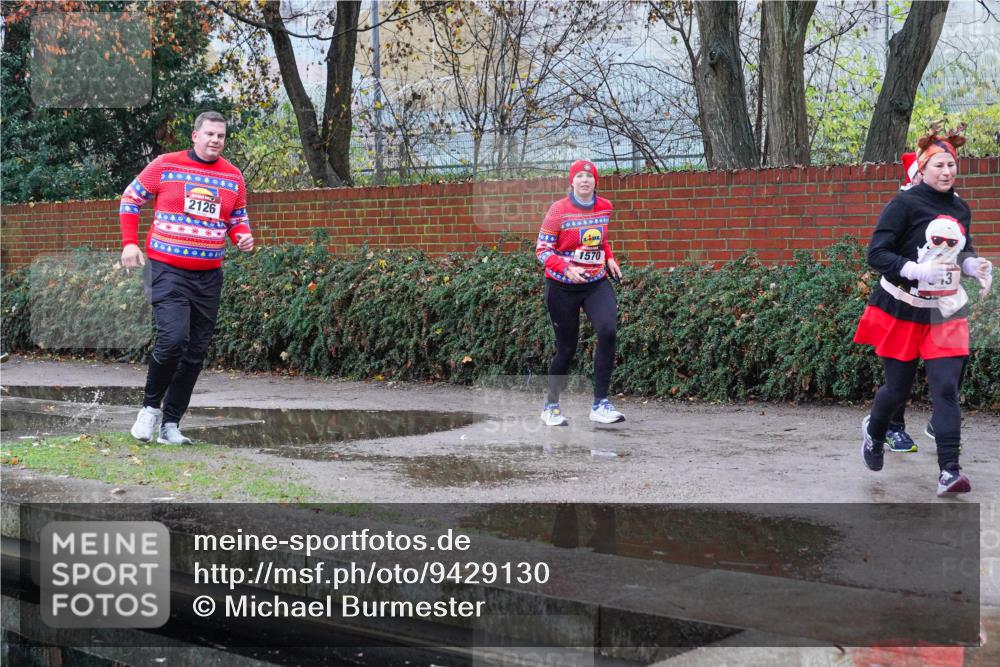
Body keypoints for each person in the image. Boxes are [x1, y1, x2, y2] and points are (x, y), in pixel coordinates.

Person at [854, 125, 992, 496]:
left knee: (946, 388)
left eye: (952, 165)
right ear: (923, 168)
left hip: (944, 310)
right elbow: (877, 254)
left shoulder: (961, 208)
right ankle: (875, 430)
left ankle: (949, 471)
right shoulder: (904, 204)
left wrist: (974, 267)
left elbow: (961, 251)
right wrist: (916, 271)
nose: (947, 171)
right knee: (897, 390)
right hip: (901, 308)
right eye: (939, 165)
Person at [120, 111, 254, 444]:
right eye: (209, 134)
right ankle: (150, 410)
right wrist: (129, 243)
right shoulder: (165, 165)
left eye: (221, 136)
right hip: (165, 269)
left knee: (195, 351)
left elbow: (237, 217)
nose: (215, 141)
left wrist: (243, 236)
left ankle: (171, 425)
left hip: (208, 276)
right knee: (173, 340)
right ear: (194, 136)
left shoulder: (233, 177)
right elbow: (130, 198)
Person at [535, 160, 624, 426]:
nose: (585, 180)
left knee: (608, 331)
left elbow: (599, 239)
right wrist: (565, 268)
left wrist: (609, 258)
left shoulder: (605, 207)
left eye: (590, 176)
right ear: (572, 182)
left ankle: (600, 404)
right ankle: (551, 405)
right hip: (562, 286)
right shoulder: (558, 211)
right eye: (580, 176)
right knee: (566, 349)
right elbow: (542, 250)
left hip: (595, 282)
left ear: (596, 181)